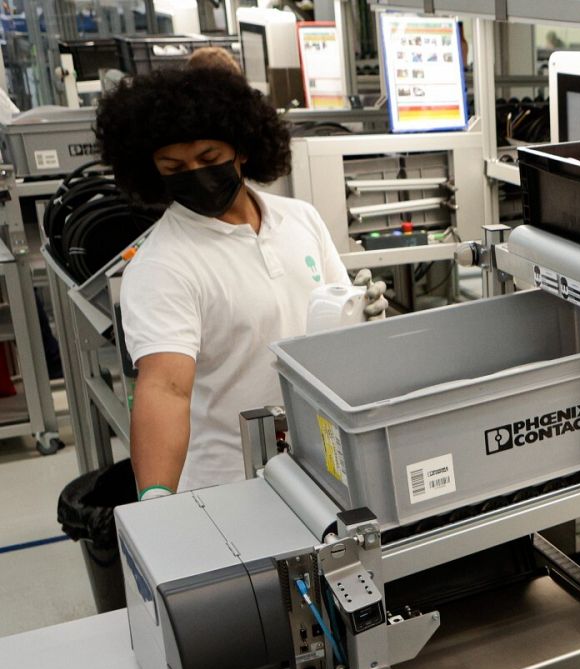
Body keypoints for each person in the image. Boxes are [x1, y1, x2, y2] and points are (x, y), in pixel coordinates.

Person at [94, 65, 383, 498]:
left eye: (209, 159)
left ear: (242, 150)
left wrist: (362, 313)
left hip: (324, 462)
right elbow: (164, 388)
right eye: (174, 167)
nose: (196, 174)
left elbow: (331, 327)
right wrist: (155, 498)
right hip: (230, 485)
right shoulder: (162, 266)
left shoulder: (300, 219)